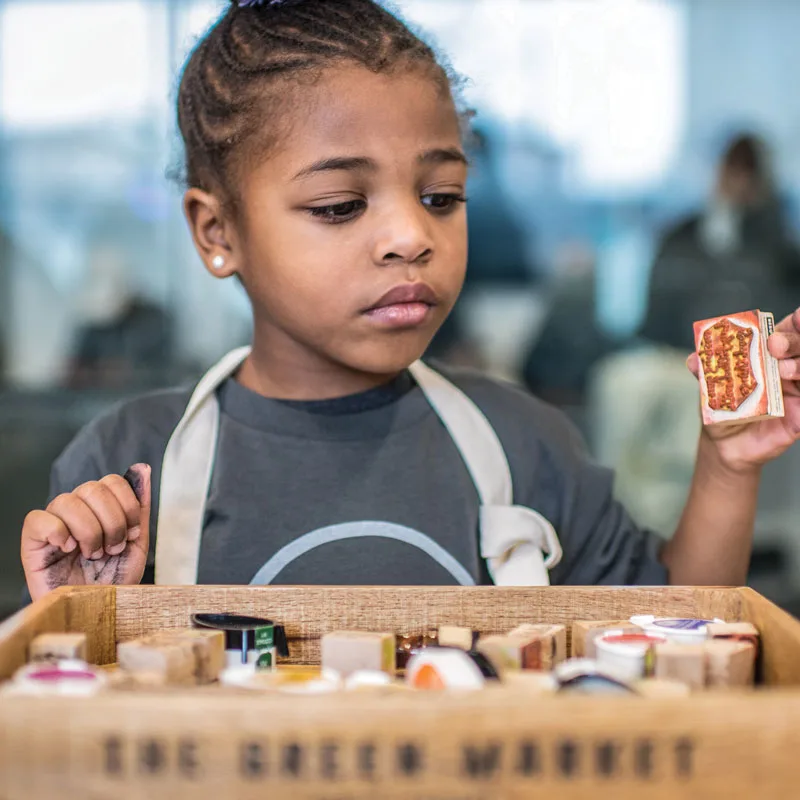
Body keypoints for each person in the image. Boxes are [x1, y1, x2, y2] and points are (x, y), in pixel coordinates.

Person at [19, 0, 800, 601]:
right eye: (339, 206)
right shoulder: (128, 470)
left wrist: (728, 466)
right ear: (217, 231)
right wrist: (83, 619)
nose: (410, 236)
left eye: (441, 195)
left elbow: (677, 637)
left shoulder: (527, 446)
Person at [643, 133, 800, 351]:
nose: (739, 179)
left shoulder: (779, 247)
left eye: (747, 171)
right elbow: (656, 314)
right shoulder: (679, 237)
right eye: (733, 167)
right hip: (679, 354)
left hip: (755, 356)